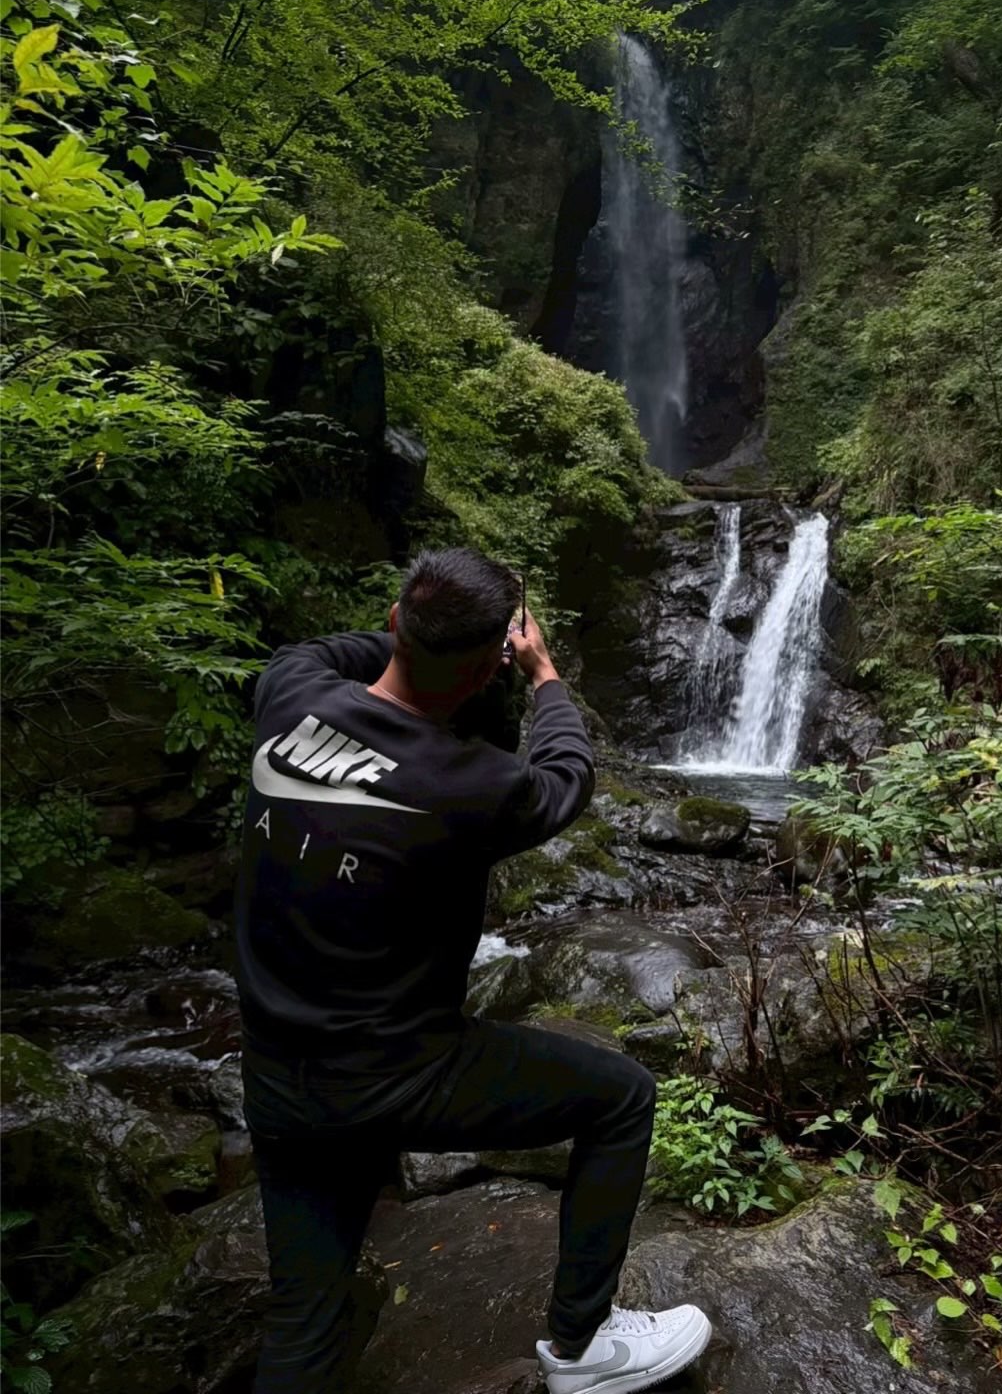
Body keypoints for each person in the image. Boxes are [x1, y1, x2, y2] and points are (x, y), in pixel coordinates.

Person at [234, 547, 711, 1394]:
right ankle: (580, 1349)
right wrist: (543, 674)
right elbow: (567, 775)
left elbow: (331, 653)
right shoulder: (471, 783)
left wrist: (415, 635)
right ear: (489, 661)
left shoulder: (288, 693)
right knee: (622, 1096)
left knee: (305, 1315)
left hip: (277, 1076)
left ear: (393, 624)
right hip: (401, 1075)